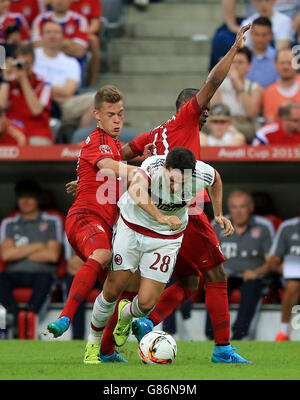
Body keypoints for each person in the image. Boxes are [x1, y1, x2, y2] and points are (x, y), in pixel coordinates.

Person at [86, 148, 234, 358]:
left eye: (182, 183)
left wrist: (218, 214)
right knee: (113, 290)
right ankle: (93, 344)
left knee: (145, 305)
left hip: (166, 238)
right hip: (132, 228)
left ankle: (126, 314)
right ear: (165, 168)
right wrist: (160, 217)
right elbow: (136, 191)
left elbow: (216, 179)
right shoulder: (152, 167)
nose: (176, 187)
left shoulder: (202, 172)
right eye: (172, 180)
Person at [46, 85, 138, 339]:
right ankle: (65, 317)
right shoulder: (99, 141)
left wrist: (85, 181)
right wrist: (142, 172)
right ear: (96, 114)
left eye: (121, 113)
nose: (117, 119)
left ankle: (108, 347)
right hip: (86, 217)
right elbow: (108, 164)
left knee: (126, 282)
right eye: (111, 115)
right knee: (103, 253)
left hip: (103, 224)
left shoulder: (115, 144)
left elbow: (106, 169)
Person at [206, 189, 274, 340]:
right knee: (216, 284)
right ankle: (212, 335)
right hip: (225, 275)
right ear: (229, 209)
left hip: (252, 276)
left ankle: (240, 335)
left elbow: (272, 260)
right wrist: (218, 271)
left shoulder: (263, 226)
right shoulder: (218, 225)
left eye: (242, 206)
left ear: (251, 208)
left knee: (252, 286)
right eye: (234, 207)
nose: (238, 212)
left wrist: (257, 272)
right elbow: (206, 255)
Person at [0, 180, 62, 337]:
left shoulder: (51, 221)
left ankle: (29, 319)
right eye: (21, 197)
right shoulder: (9, 223)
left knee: (45, 280)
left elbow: (52, 256)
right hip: (14, 274)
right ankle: (13, 317)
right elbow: (6, 255)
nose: (25, 201)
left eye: (30, 197)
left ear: (38, 199)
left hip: (42, 274)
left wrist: (18, 251)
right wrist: (39, 245)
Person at [33, 21, 95, 130]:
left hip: (63, 105)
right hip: (32, 101)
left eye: (56, 32)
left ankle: (81, 142)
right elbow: (26, 84)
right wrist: (55, 92)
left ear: (63, 37)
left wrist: (41, 86)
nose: (52, 35)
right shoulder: (32, 56)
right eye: (48, 32)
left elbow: (68, 92)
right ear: (41, 36)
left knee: (99, 99)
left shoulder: (71, 62)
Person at [0, 43, 53, 145]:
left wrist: (23, 80)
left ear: (32, 64)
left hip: (36, 133)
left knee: (37, 144)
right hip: (12, 130)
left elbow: (36, 110)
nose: (23, 67)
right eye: (20, 63)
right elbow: (1, 107)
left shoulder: (43, 84)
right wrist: (6, 78)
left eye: (26, 63)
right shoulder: (9, 83)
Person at [210, 47, 263, 142]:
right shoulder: (220, 86)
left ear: (249, 66)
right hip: (222, 130)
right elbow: (214, 110)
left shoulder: (255, 88)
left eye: (240, 62)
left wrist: (238, 83)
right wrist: (219, 81)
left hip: (246, 131)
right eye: (233, 62)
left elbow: (251, 113)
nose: (236, 66)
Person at [265, 216, 300, 341]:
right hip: (294, 274)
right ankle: (284, 331)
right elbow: (273, 260)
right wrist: (281, 266)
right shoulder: (288, 227)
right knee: (292, 285)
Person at [69, 0, 102, 86]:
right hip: (66, 35)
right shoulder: (63, 2)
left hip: (85, 35)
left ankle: (92, 81)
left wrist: (80, 35)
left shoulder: (93, 1)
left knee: (94, 41)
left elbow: (95, 25)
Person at [263, 49, 300, 122]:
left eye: (290, 63)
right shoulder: (269, 93)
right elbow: (271, 122)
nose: (286, 67)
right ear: (275, 64)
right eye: (282, 63)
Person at [246, 17, 280, 88]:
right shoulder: (241, 56)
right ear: (251, 34)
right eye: (257, 34)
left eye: (264, 35)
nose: (260, 39)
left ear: (271, 35)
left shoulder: (278, 58)